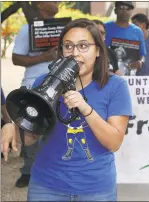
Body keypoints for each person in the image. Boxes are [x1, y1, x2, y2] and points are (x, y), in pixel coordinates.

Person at [2, 18, 133, 201]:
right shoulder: (43, 82)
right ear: (61, 50)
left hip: (95, 189)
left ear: (97, 51)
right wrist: (13, 125)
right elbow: (31, 138)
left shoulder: (115, 86)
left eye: (83, 46)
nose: (75, 53)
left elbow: (114, 143)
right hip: (46, 185)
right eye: (68, 46)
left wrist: (85, 109)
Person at [11, 2, 59, 188]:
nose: (56, 3)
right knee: (31, 130)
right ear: (40, 4)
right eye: (53, 1)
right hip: (32, 87)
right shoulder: (27, 30)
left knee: (56, 132)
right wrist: (44, 58)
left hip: (60, 88)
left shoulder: (65, 29)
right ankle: (28, 172)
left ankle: (53, 171)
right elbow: (16, 58)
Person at [104, 1, 146, 76]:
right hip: (107, 76)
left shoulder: (137, 31)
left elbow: (142, 55)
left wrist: (140, 62)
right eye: (121, 8)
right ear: (115, 11)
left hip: (130, 78)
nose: (124, 11)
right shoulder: (105, 27)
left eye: (128, 9)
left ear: (131, 12)